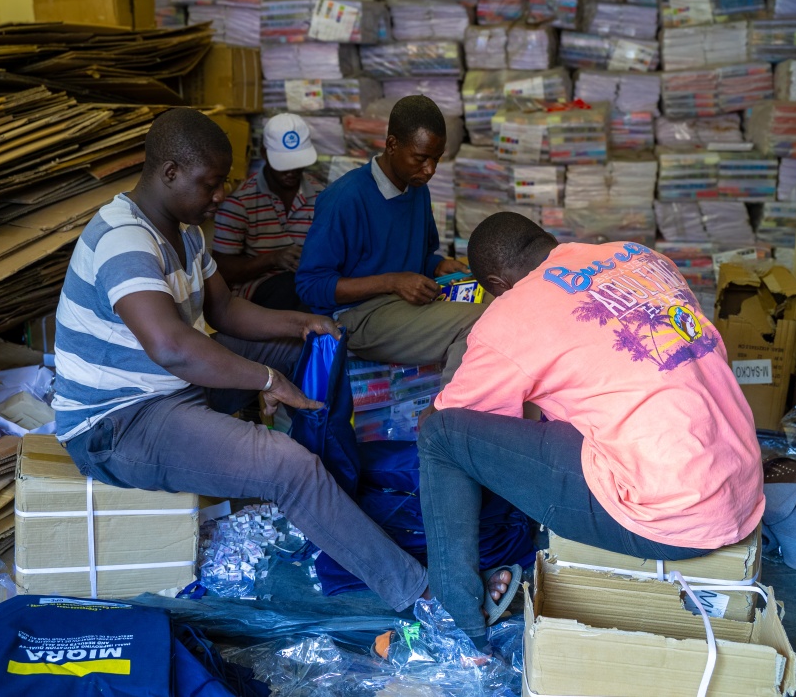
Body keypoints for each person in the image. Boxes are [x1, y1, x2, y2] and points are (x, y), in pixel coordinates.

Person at [52, 108, 430, 612]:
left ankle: (334, 492)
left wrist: (300, 323)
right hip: (119, 422)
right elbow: (171, 346)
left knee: (311, 352)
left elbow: (225, 309)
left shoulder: (184, 231)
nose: (220, 196)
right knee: (286, 466)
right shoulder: (124, 239)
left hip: (169, 387)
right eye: (210, 184)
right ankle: (419, 592)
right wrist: (266, 378)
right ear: (169, 173)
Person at [417, 212, 765, 648]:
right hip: (742, 483)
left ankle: (458, 618)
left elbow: (448, 420)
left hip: (669, 515)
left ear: (497, 285)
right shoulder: (639, 256)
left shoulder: (512, 312)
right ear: (549, 243)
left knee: (440, 439)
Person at [295, 95, 483, 382]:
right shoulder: (345, 198)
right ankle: (448, 419)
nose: (430, 169)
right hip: (357, 316)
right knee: (478, 324)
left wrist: (437, 265)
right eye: (421, 158)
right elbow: (310, 286)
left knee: (501, 301)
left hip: (400, 301)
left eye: (437, 159)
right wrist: (392, 281)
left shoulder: (416, 188)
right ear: (392, 145)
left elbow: (422, 254)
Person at [212, 113, 321, 312]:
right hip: (260, 292)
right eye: (284, 163)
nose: (292, 171)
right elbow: (222, 269)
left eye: (297, 162)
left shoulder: (321, 196)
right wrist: (273, 258)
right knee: (296, 292)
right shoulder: (239, 202)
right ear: (264, 153)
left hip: (308, 284)